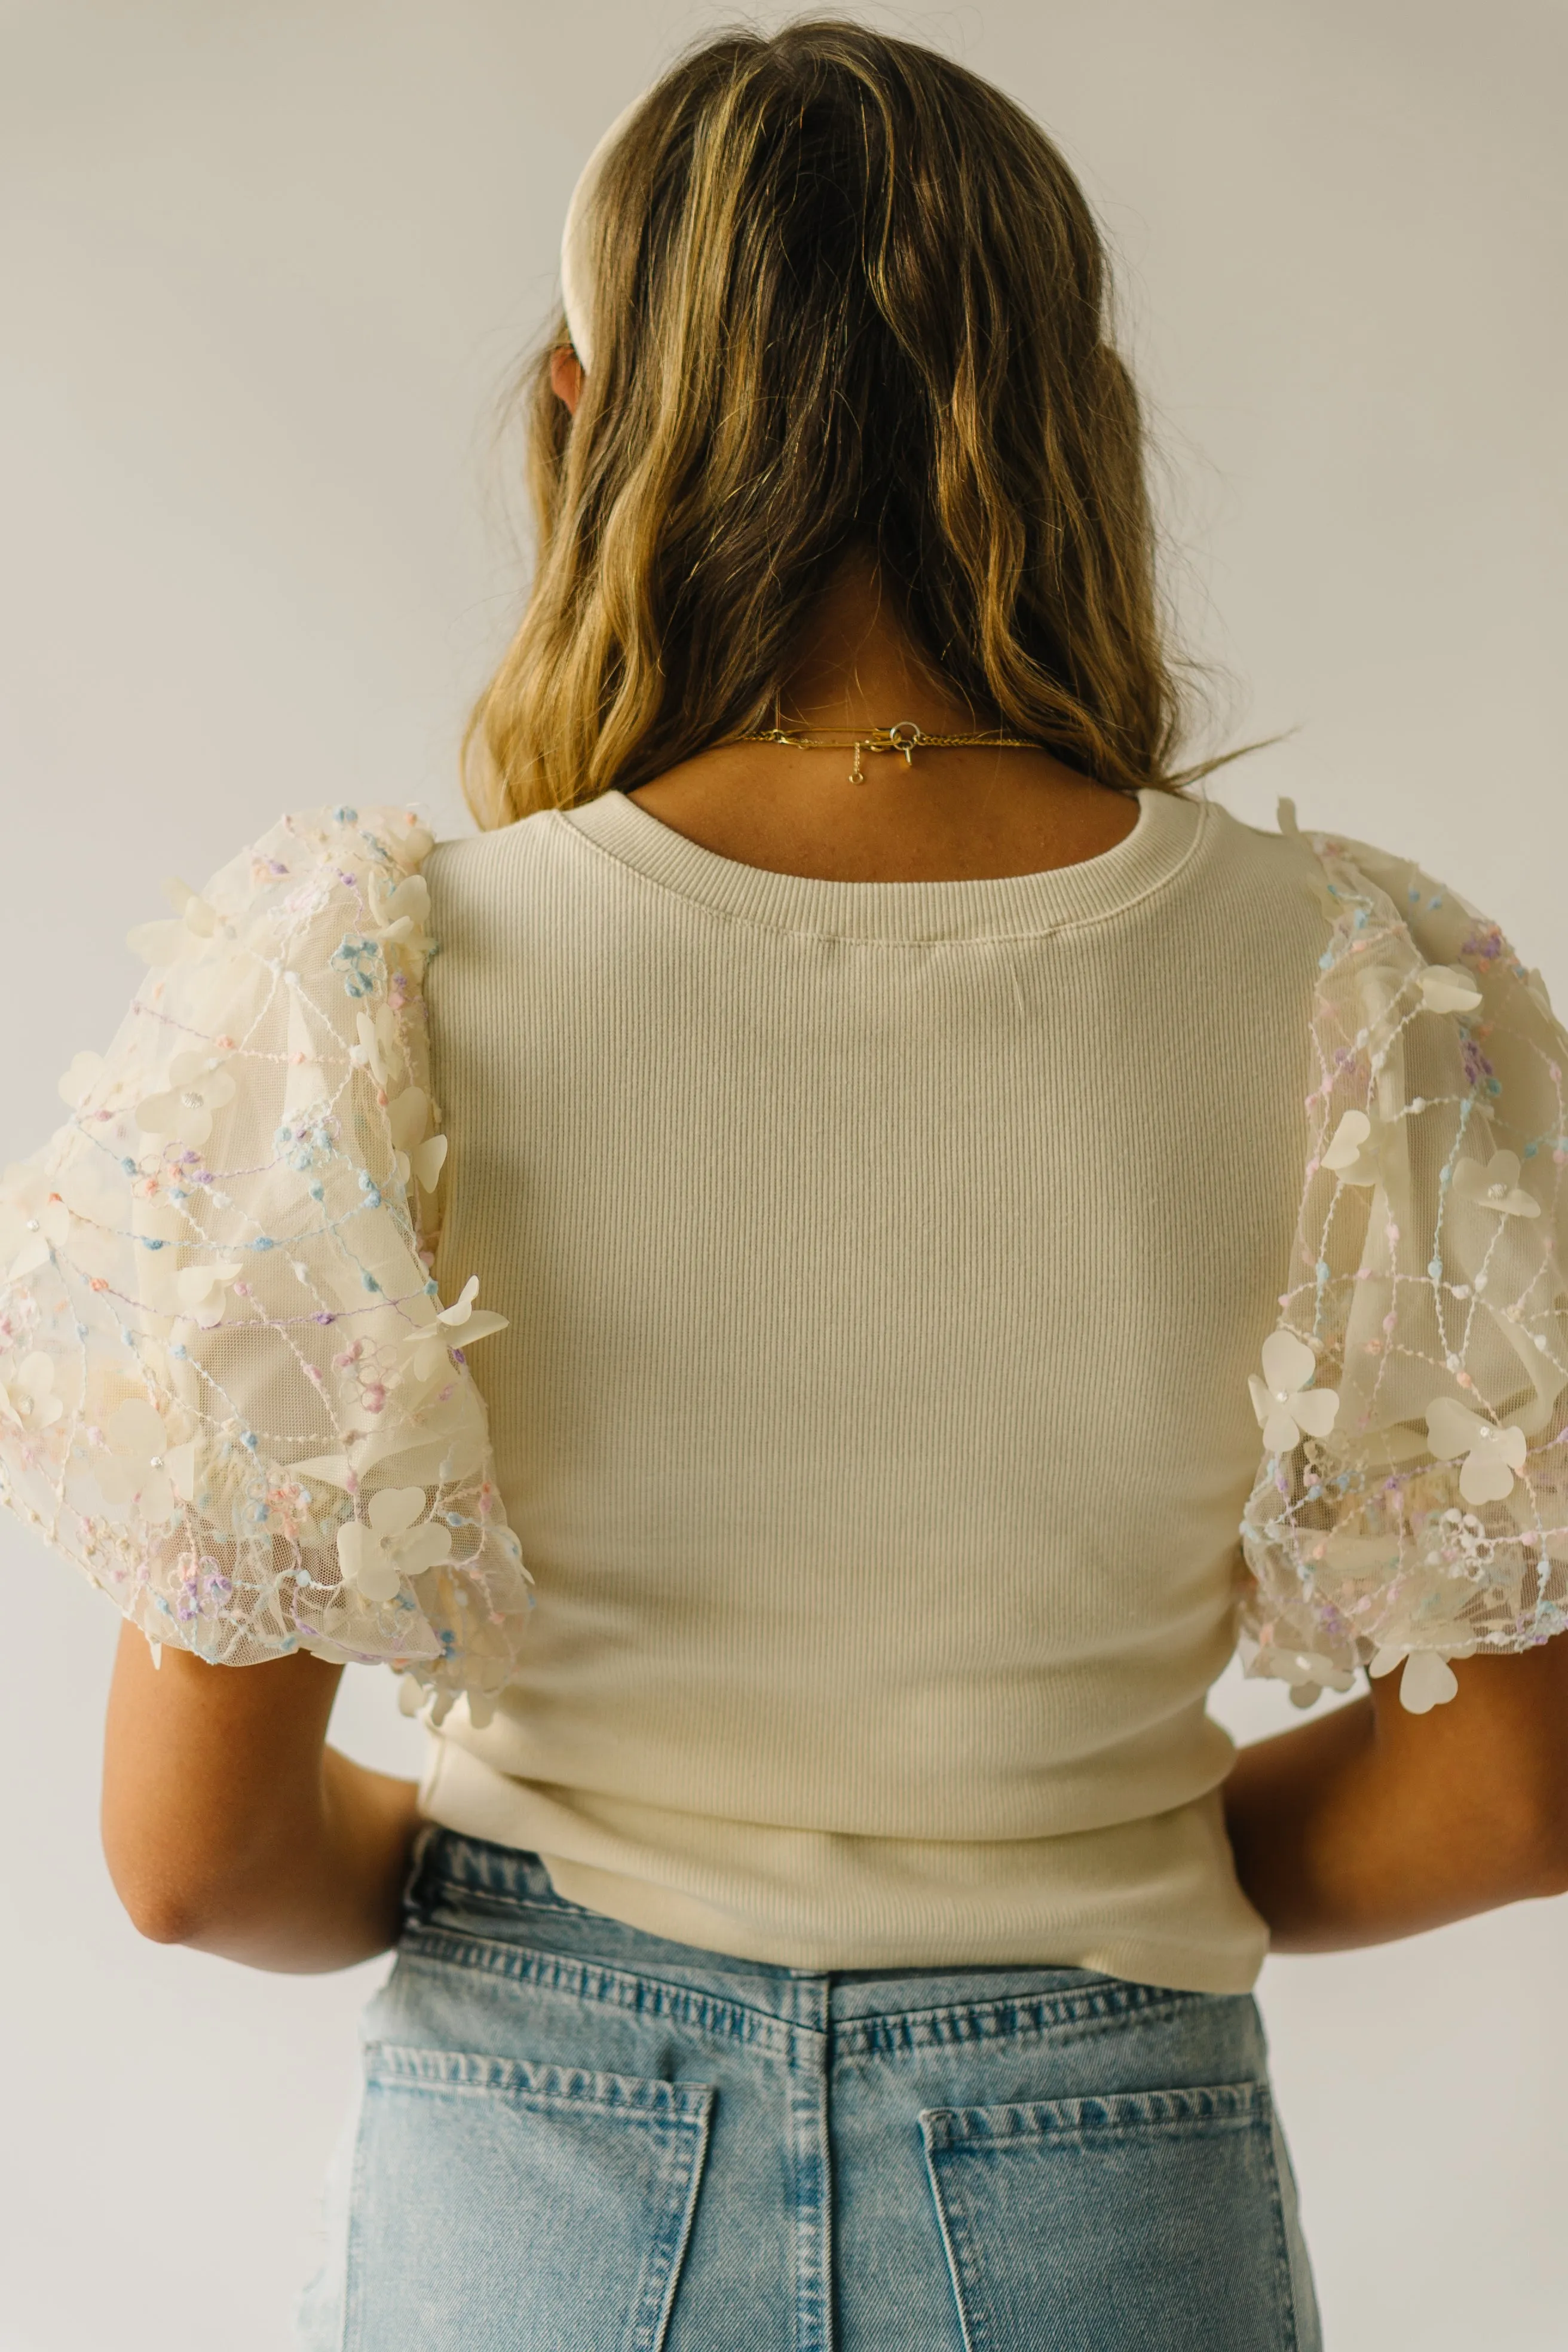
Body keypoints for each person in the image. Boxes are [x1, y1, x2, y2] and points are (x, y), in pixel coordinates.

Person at [4, 20, 1566, 2351]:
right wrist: (1064, 1870)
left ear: (578, 419)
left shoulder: (367, 990)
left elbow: (192, 1858)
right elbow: (1510, 1796)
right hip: (1096, 2145)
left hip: (533, 2160)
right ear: (1071, 426)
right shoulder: (1351, 984)